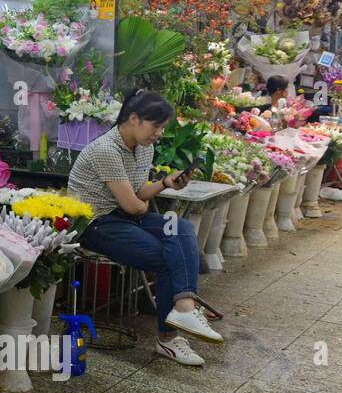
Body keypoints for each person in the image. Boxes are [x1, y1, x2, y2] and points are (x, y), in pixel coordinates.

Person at [67, 89, 224, 367]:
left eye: (162, 128)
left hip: (125, 216)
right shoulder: (106, 149)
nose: (159, 133)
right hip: (96, 222)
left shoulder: (144, 147)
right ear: (134, 119)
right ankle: (168, 337)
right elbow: (133, 205)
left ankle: (184, 305)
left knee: (181, 227)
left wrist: (165, 183)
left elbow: (138, 193)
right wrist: (140, 204)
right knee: (164, 256)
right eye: (156, 126)